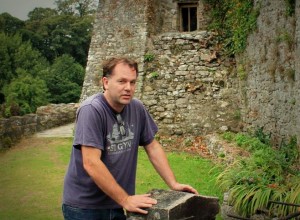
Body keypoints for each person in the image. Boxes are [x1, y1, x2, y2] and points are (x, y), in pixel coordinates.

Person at [62, 57, 198, 220]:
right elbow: (91, 162)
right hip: (85, 208)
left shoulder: (137, 108)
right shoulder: (91, 110)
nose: (128, 88)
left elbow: (152, 146)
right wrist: (125, 199)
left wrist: (173, 184)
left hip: (117, 203)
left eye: (132, 82)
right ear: (106, 82)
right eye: (122, 81)